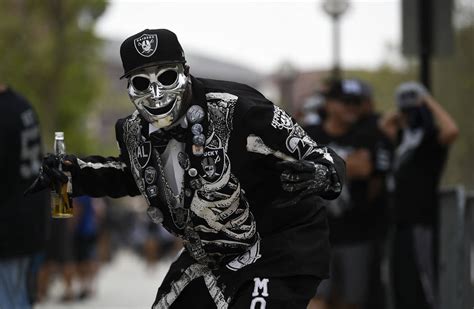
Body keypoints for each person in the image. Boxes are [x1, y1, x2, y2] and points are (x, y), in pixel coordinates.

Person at [25, 29, 346, 308]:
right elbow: (131, 174)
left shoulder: (240, 109)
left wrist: (322, 174)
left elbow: (320, 156)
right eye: (141, 82)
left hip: (279, 246)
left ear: (186, 71)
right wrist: (74, 172)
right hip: (209, 255)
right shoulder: (133, 131)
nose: (155, 93)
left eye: (166, 77)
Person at [381, 82, 458, 309]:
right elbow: (384, 124)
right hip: (399, 223)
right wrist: (402, 107)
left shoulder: (431, 141)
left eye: (412, 112)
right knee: (401, 285)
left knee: (424, 285)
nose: (408, 116)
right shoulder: (403, 140)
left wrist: (427, 102)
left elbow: (452, 130)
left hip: (421, 223)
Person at [305, 79, 377, 309]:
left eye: (356, 102)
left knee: (351, 301)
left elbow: (366, 169)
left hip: (355, 233)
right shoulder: (308, 134)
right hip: (316, 234)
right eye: (346, 102)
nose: (351, 108)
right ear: (329, 104)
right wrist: (349, 165)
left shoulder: (366, 133)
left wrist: (320, 168)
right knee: (315, 299)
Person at [0, 84, 49, 308]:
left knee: (8, 297)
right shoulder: (21, 105)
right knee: (18, 293)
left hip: (8, 224)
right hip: (30, 217)